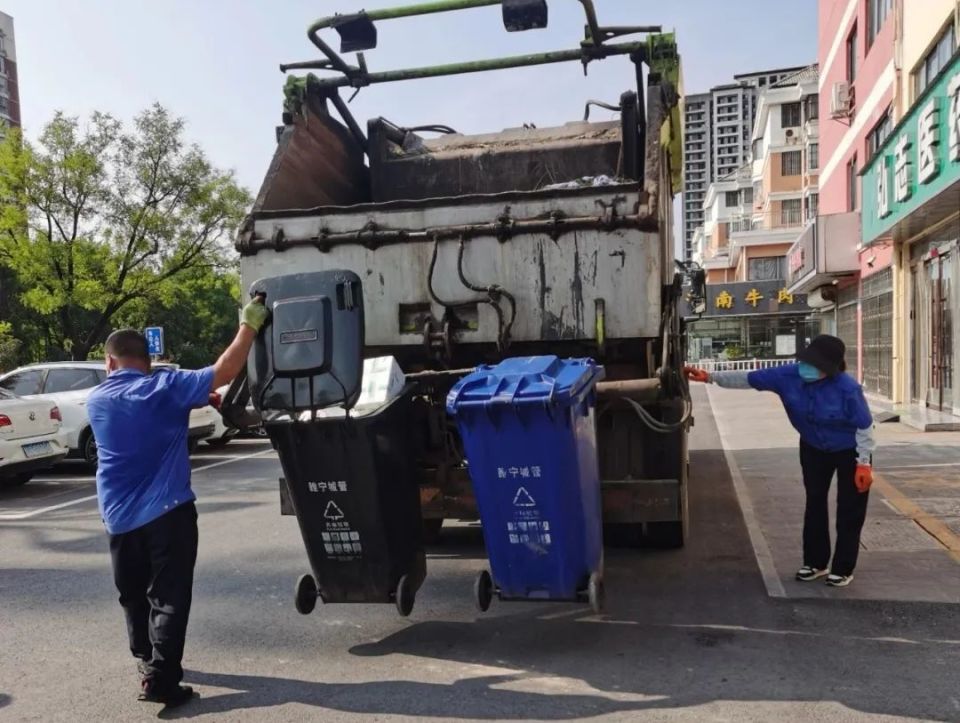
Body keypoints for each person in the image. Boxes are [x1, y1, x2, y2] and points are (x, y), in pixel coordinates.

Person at [87, 298, 269, 708]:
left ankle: (145, 657)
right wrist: (249, 326)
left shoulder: (97, 401)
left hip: (118, 520)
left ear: (109, 363)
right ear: (147, 361)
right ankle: (161, 680)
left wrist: (195, 398)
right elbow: (224, 371)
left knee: (132, 594)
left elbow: (146, 406)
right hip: (169, 513)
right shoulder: (165, 388)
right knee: (168, 597)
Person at [685, 334, 875, 588]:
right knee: (815, 502)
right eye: (808, 362)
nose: (808, 369)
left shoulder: (847, 388)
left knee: (849, 509)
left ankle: (843, 568)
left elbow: (864, 426)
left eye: (817, 366)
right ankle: (816, 563)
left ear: (831, 369)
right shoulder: (788, 375)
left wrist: (863, 463)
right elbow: (749, 378)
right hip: (813, 447)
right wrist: (710, 377)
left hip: (850, 450)